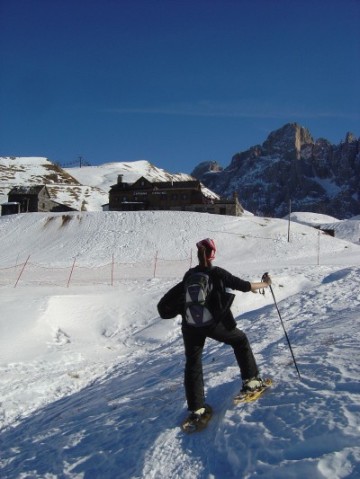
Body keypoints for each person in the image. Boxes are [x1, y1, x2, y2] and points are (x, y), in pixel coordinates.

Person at [181, 238, 271, 427]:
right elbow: (245, 286)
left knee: (193, 362)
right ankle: (252, 382)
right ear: (213, 254)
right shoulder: (217, 272)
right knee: (240, 340)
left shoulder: (189, 274)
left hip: (190, 324)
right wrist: (265, 284)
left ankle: (197, 409)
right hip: (212, 323)